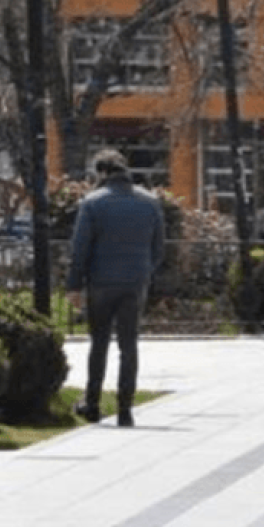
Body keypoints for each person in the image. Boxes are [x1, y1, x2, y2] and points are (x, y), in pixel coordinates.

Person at [66, 149, 166, 428]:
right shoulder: (150, 202)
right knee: (129, 345)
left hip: (100, 281)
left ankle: (92, 403)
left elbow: (80, 248)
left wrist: (74, 284)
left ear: (101, 172)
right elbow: (159, 248)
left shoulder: (92, 203)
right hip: (135, 282)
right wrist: (144, 271)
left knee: (98, 344)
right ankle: (125, 409)